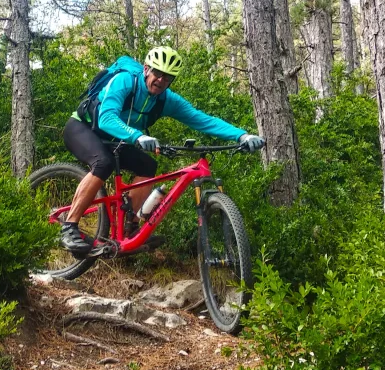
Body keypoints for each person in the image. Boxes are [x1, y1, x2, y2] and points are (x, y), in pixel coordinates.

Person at [60, 46, 265, 253]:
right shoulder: (125, 81)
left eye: (167, 78)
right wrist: (137, 136)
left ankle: (129, 225)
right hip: (83, 127)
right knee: (103, 162)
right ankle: (69, 228)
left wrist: (242, 135)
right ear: (146, 69)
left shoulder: (166, 100)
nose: (161, 81)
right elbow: (106, 118)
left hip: (117, 139)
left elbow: (203, 120)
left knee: (148, 165)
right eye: (157, 73)